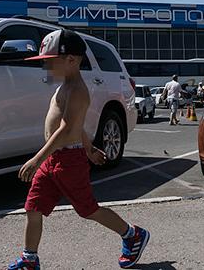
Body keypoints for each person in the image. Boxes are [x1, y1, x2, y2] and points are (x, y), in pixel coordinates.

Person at [8, 29, 150, 270]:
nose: (46, 69)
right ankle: (29, 259)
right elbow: (78, 126)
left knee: (88, 209)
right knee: (33, 207)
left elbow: (65, 129)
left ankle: (132, 234)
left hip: (68, 161)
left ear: (71, 60)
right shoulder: (64, 86)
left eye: (49, 63)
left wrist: (36, 159)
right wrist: (91, 148)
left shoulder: (77, 91)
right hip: (53, 160)